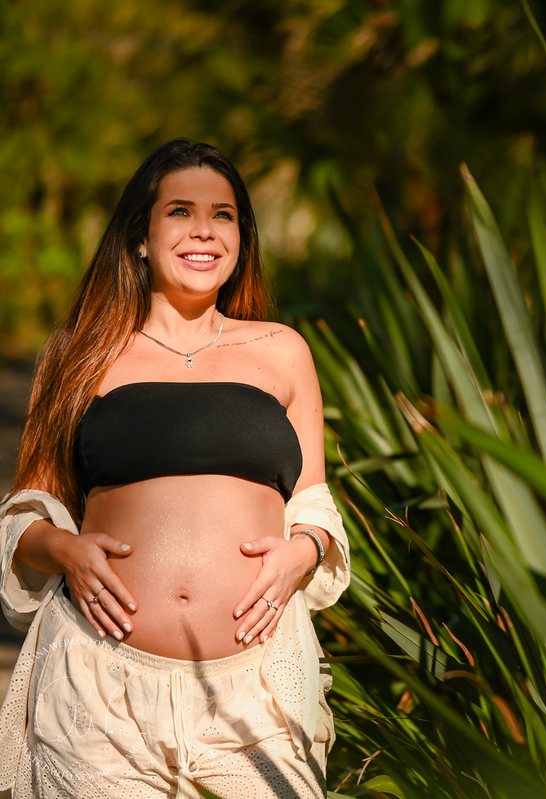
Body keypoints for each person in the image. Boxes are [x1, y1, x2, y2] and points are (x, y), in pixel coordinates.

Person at [0, 139, 350, 798]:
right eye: (181, 211)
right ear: (140, 236)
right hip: (98, 693)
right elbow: (25, 517)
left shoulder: (283, 352)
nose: (204, 230)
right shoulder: (81, 353)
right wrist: (68, 550)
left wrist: (300, 553)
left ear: (242, 237)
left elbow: (313, 503)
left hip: (257, 696)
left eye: (223, 215)